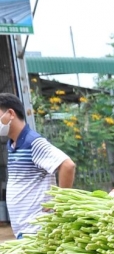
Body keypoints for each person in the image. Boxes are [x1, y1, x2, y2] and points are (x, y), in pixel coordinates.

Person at [0, 93, 75, 240]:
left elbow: (68, 165)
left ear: (10, 113)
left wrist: (60, 200)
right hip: (24, 229)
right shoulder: (13, 145)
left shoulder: (33, 142)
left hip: (37, 230)